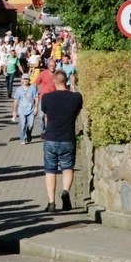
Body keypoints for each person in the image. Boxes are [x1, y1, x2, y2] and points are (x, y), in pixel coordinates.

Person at [41, 70, 83, 212]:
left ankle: (51, 203)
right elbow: (76, 114)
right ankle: (65, 192)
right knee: (68, 167)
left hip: (51, 138)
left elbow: (46, 114)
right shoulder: (76, 98)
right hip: (68, 138)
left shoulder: (47, 98)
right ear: (67, 81)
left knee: (50, 170)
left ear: (54, 81)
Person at [33, 58, 57, 138]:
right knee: (41, 116)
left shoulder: (57, 74)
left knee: (50, 116)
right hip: (43, 98)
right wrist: (35, 94)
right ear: (48, 66)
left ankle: (48, 131)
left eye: (54, 66)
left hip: (53, 99)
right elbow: (35, 83)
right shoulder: (43, 73)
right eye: (51, 66)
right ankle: (43, 130)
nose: (52, 68)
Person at [12, 74, 39, 145]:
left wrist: (36, 107)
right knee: (23, 124)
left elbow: (36, 98)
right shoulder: (18, 90)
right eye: (24, 79)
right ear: (21, 80)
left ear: (29, 80)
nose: (26, 80)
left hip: (31, 110)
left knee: (30, 125)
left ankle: (28, 134)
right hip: (22, 111)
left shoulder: (33, 88)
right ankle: (23, 138)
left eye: (27, 79)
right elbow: (16, 100)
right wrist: (14, 111)